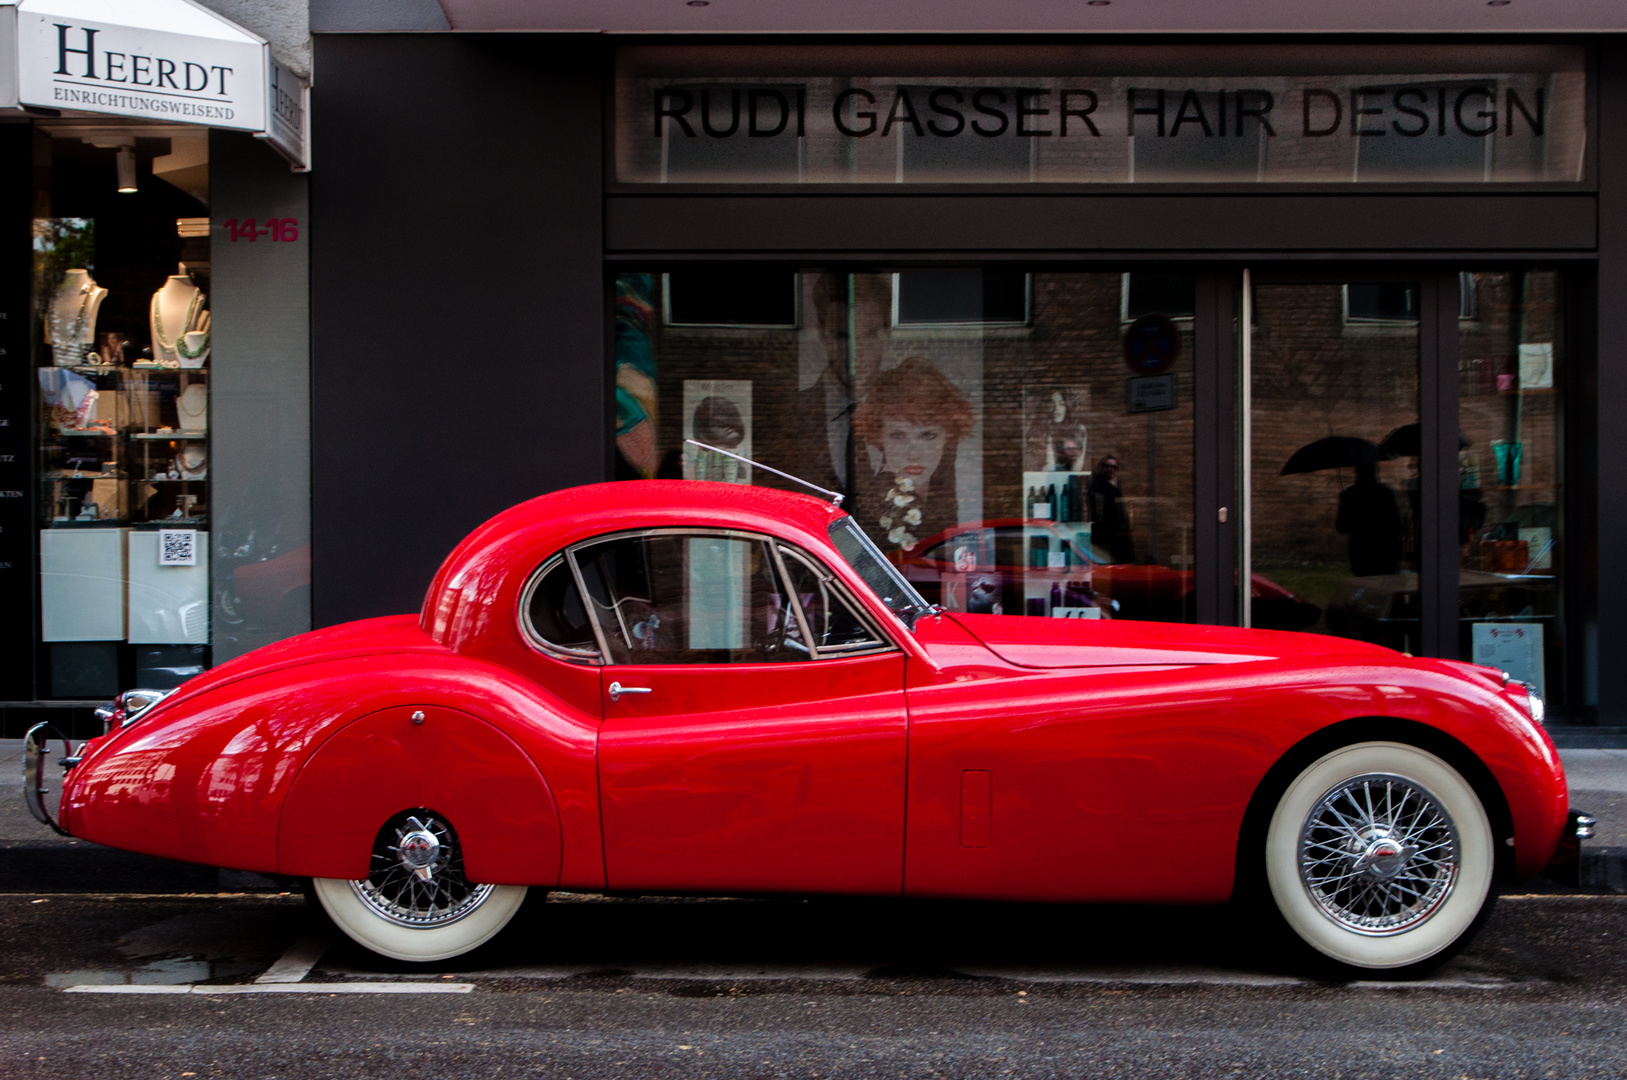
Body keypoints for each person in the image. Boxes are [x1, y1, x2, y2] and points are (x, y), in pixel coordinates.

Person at [852, 357, 975, 552]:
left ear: (948, 437)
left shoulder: (945, 491)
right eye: (898, 436)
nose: (914, 454)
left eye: (928, 435)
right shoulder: (874, 505)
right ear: (879, 437)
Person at [1335, 461, 1404, 576]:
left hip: (1361, 552)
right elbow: (1396, 526)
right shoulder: (1387, 493)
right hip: (1385, 551)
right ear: (1375, 471)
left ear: (1357, 472)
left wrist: (1344, 503)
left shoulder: (1351, 494)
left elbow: (1342, 527)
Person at [1088, 455, 1136, 564]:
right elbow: (1098, 510)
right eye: (1107, 466)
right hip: (1106, 531)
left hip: (1118, 530)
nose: (1111, 469)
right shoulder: (1097, 485)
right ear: (1102, 467)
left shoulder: (1115, 483)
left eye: (1114, 467)